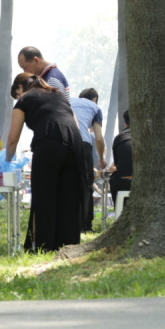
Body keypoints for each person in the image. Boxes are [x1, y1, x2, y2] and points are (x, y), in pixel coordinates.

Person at [6, 72, 85, 251]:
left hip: (48, 142)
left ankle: (44, 244)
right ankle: (68, 244)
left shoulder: (24, 99)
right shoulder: (59, 95)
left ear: (20, 87)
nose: (18, 98)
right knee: (69, 196)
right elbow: (75, 124)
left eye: (16, 94)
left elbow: (12, 139)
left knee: (44, 196)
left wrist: (7, 162)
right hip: (74, 143)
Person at [71, 88, 106, 232]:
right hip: (83, 144)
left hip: (62, 142)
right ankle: (85, 226)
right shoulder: (95, 107)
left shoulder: (68, 101)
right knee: (86, 185)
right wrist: (101, 159)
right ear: (94, 99)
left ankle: (66, 224)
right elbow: (99, 138)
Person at [110, 109, 133, 206]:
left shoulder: (120, 138)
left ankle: (119, 210)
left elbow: (117, 164)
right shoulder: (148, 137)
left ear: (126, 123)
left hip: (124, 182)